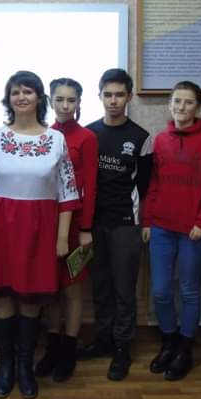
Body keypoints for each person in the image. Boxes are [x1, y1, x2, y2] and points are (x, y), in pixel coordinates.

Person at [0, 70, 79, 399]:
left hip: (41, 232)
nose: (21, 97)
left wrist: (62, 238)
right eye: (15, 92)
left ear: (39, 98)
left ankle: (25, 368)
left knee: (31, 301)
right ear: (8, 99)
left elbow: (68, 193)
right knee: (4, 300)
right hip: (0, 231)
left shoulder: (56, 139)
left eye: (28, 91)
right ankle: (6, 368)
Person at [141, 81, 201, 381]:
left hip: (194, 231)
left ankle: (185, 350)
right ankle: (169, 342)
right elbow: (154, 184)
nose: (182, 107)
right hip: (161, 227)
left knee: (189, 290)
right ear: (169, 104)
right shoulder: (161, 139)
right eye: (177, 101)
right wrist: (147, 220)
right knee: (161, 291)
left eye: (188, 102)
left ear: (198, 107)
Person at [79, 68, 152, 381]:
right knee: (100, 286)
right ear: (99, 96)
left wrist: (144, 222)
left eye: (119, 95)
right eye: (107, 94)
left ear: (129, 97)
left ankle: (122, 347)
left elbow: (146, 187)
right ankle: (103, 339)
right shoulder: (89, 134)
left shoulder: (141, 138)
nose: (113, 100)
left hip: (125, 223)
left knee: (124, 288)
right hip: (93, 224)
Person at [34, 78, 98, 382]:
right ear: (50, 101)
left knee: (73, 290)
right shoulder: (43, 135)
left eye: (71, 100)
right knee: (50, 289)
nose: (65, 105)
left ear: (79, 103)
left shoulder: (87, 137)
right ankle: (52, 346)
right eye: (59, 99)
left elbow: (91, 186)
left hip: (75, 226)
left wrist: (86, 227)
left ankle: (69, 350)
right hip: (47, 224)